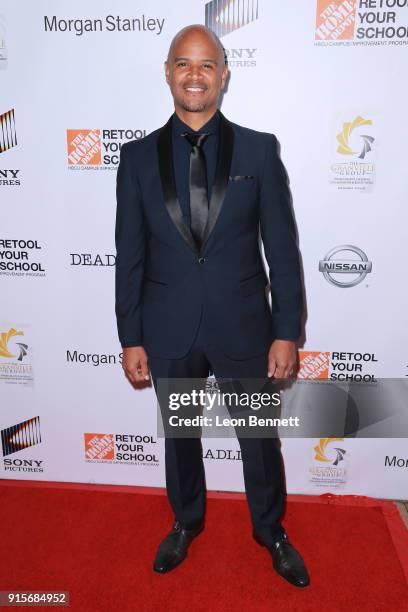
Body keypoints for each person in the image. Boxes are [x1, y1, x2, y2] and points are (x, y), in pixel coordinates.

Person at [115, 24, 310, 588]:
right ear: (169, 73)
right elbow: (128, 253)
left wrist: (286, 331)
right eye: (183, 64)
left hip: (245, 324)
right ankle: (186, 521)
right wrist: (131, 335)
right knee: (179, 434)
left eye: (206, 65)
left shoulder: (259, 149)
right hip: (168, 324)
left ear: (224, 75)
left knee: (258, 437)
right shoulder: (136, 159)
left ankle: (271, 530)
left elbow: (282, 246)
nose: (195, 75)